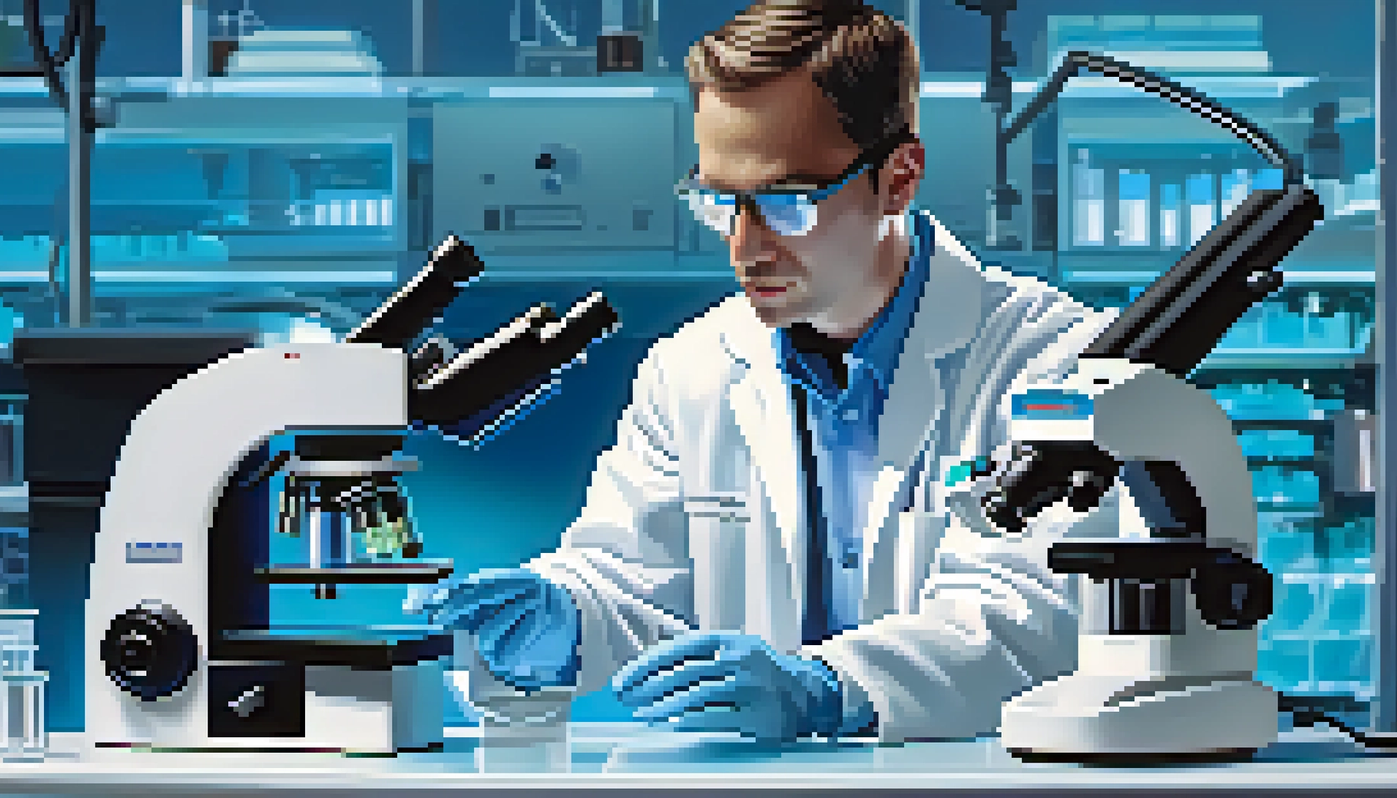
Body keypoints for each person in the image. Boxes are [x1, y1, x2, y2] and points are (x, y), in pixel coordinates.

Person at [411, 0, 1131, 744]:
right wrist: (561, 616)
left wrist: (830, 688)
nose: (746, 248)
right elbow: (632, 582)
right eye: (720, 202)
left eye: (785, 203)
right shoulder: (690, 370)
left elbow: (1026, 618)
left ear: (899, 178)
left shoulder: (1050, 361)